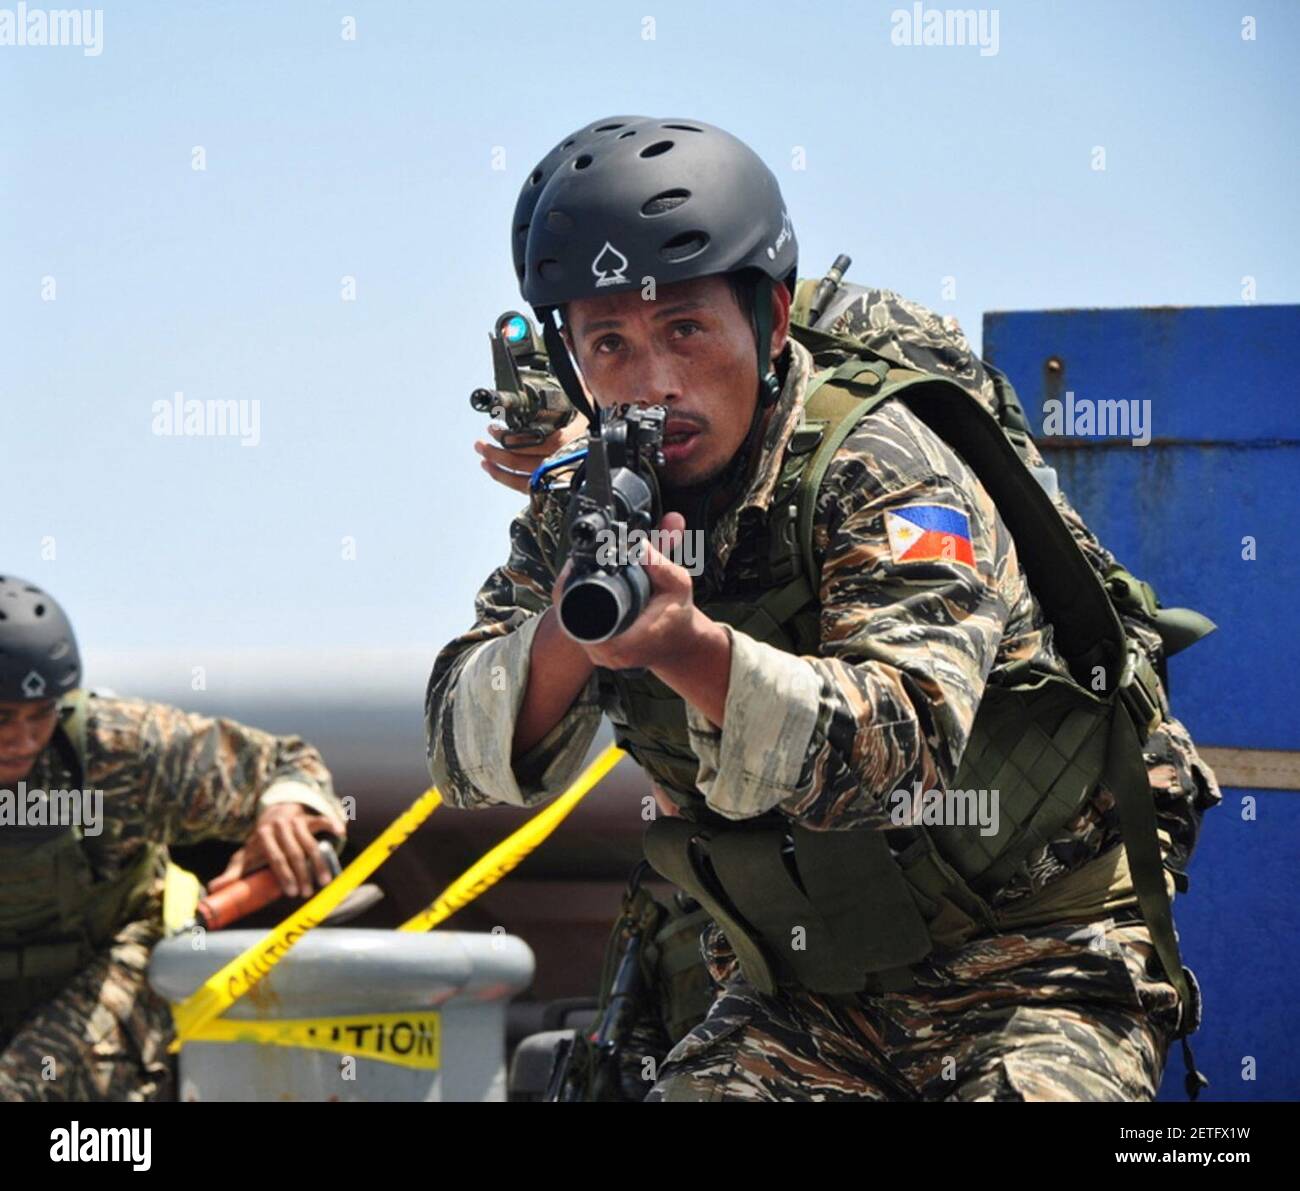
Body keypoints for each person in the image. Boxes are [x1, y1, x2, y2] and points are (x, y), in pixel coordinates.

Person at [431, 115, 1218, 1101]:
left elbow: (906, 749)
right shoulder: (590, 502)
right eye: (610, 344)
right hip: (802, 986)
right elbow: (458, 751)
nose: (656, 383)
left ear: (766, 319)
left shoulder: (881, 462)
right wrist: (568, 636)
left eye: (685, 329)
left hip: (1034, 963)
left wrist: (686, 650)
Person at [0, 575, 347, 1101]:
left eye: (40, 714)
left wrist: (287, 808)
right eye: (3, 718)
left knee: (25, 1089)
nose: (24, 739)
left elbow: (286, 763)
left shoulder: (117, 747)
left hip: (117, 960)